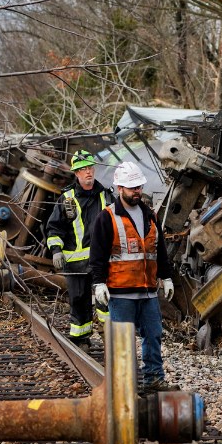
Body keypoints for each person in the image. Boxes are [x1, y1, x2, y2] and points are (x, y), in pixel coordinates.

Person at [89, 160, 176, 393]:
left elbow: (160, 251)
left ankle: (154, 379)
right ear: (120, 189)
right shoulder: (107, 218)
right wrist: (98, 283)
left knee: (153, 335)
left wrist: (166, 277)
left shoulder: (150, 216)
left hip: (148, 290)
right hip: (121, 291)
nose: (137, 191)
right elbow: (97, 254)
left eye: (139, 187)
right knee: (123, 342)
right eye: (132, 188)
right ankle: (124, 385)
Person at [45, 150, 116, 351]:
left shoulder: (106, 195)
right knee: (78, 300)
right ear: (76, 173)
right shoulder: (66, 199)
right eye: (82, 169)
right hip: (75, 263)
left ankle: (110, 337)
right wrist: (56, 250)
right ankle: (81, 340)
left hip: (101, 260)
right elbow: (54, 228)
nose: (87, 172)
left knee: (106, 300)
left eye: (90, 168)